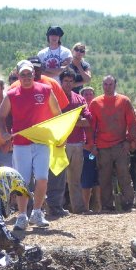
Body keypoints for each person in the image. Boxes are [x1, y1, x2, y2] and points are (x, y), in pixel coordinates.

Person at [0, 59, 61, 231]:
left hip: (42, 141)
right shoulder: (12, 94)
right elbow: (1, 117)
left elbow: (57, 113)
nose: (26, 77)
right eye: (23, 74)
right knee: (22, 181)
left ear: (34, 74)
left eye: (29, 74)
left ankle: (37, 212)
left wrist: (58, 135)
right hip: (21, 143)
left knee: (42, 178)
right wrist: (4, 133)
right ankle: (22, 215)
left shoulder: (46, 90)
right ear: (18, 76)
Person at [88, 75, 136, 212]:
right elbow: (91, 126)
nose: (108, 87)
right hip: (102, 147)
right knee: (104, 178)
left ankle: (128, 203)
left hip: (120, 145)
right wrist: (92, 145)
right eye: (105, 84)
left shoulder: (124, 101)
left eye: (110, 84)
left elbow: (133, 123)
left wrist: (129, 141)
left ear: (115, 85)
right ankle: (107, 206)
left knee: (124, 174)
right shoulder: (95, 103)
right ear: (102, 85)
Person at [47, 68, 91, 216]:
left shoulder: (79, 99)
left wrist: (68, 121)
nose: (68, 83)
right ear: (61, 82)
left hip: (77, 143)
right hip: (59, 143)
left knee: (75, 179)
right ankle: (55, 207)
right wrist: (75, 120)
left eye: (71, 81)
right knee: (56, 178)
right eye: (65, 81)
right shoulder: (54, 99)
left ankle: (78, 208)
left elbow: (88, 121)